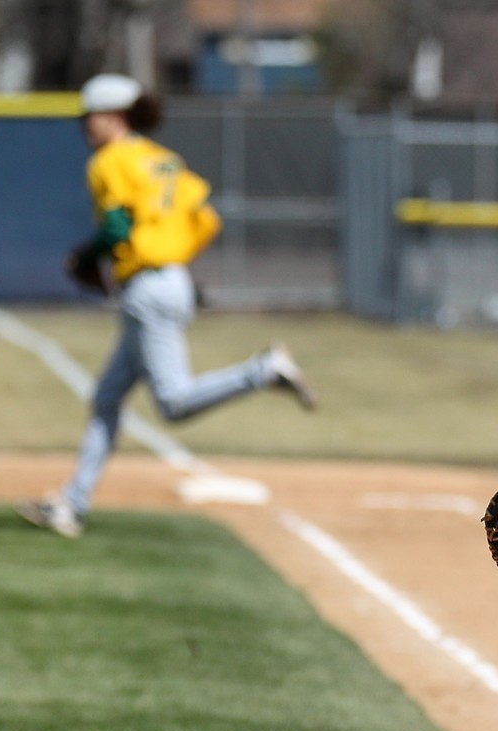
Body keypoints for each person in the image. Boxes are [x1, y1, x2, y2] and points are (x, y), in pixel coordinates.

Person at [17, 73, 316, 538]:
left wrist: (83, 256)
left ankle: (262, 371)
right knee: (107, 399)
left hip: (147, 288)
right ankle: (72, 505)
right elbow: (207, 221)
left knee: (174, 402)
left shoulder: (110, 161)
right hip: (169, 280)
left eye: (89, 116)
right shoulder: (164, 160)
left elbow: (116, 228)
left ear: (113, 116)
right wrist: (170, 259)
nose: (84, 125)